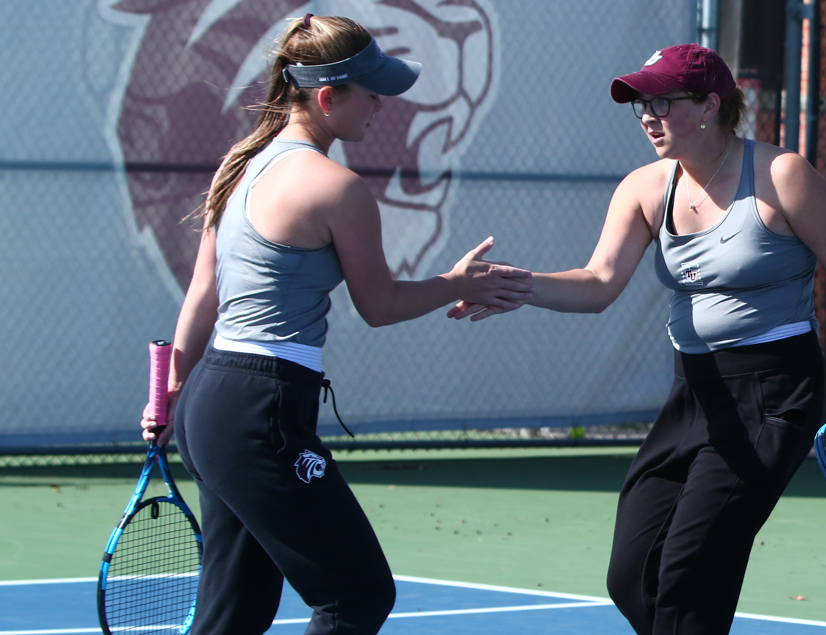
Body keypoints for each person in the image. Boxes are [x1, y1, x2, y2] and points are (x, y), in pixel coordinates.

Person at [449, 44, 826, 635]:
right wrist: (515, 285)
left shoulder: (783, 176)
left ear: (708, 104)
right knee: (633, 576)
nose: (647, 115)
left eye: (662, 101)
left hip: (774, 395)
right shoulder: (646, 187)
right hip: (692, 395)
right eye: (640, 104)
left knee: (688, 573)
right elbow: (598, 283)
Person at [138, 14, 532, 635]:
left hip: (210, 404)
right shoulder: (338, 189)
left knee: (232, 614)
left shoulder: (238, 166)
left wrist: (167, 394)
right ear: (327, 98)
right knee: (357, 597)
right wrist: (458, 284)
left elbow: (201, 294)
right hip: (259, 411)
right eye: (371, 90)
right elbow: (380, 307)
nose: (381, 104)